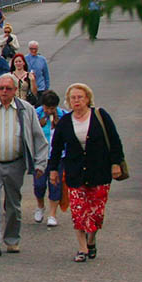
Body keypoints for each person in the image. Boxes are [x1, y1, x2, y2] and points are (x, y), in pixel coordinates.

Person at [0, 74, 50, 256]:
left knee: (13, 204)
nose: (4, 92)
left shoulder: (26, 110)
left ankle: (12, 239)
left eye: (8, 88)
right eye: (1, 88)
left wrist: (40, 164)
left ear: (15, 90)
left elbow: (39, 138)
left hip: (16, 163)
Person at [46, 83, 125, 262]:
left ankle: (91, 239)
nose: (76, 101)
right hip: (75, 173)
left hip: (99, 171)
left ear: (87, 99)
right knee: (79, 212)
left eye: (80, 97)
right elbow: (56, 148)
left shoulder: (100, 116)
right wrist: (53, 170)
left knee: (96, 213)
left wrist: (116, 163)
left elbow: (114, 140)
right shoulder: (65, 122)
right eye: (73, 98)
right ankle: (82, 248)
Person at [32, 91, 65, 227]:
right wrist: (39, 124)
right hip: (40, 156)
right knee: (39, 185)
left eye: (52, 108)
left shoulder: (63, 115)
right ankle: (40, 206)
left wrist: (59, 124)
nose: (50, 111)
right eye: (47, 108)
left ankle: (52, 214)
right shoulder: (35, 113)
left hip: (57, 156)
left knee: (55, 185)